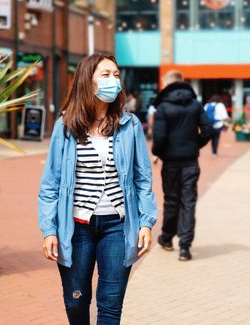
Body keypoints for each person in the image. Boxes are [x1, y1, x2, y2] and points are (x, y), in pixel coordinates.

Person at [38, 53, 157, 325]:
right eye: (105, 75)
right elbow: (51, 184)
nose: (113, 80)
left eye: (116, 75)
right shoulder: (65, 125)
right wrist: (49, 230)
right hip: (76, 227)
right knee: (76, 302)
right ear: (87, 82)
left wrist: (147, 222)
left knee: (111, 304)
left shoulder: (130, 125)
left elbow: (143, 178)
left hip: (118, 225)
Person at [152, 70, 213, 261]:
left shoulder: (163, 107)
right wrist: (195, 145)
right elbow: (208, 130)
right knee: (188, 202)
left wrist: (160, 153)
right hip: (190, 162)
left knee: (171, 200)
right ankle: (185, 247)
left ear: (168, 84)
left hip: (170, 163)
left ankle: (167, 238)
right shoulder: (195, 105)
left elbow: (159, 138)